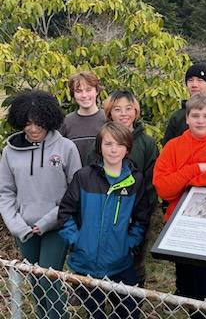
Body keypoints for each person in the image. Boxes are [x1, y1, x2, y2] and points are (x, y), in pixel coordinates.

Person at [0, 90, 82, 319]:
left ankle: (58, 316)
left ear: (49, 119)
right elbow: (5, 193)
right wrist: (17, 226)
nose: (33, 129)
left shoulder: (66, 147)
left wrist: (47, 222)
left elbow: (74, 192)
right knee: (35, 280)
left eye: (38, 123)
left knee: (48, 277)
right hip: (24, 229)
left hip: (56, 226)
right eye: (27, 123)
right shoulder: (9, 153)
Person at [153, 93, 206, 309]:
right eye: (195, 115)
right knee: (189, 284)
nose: (201, 120)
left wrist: (184, 183)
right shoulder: (173, 146)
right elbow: (163, 187)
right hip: (181, 224)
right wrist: (196, 169)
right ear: (187, 118)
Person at [58, 121, 150, 319]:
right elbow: (65, 212)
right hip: (85, 262)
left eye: (119, 144)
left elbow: (142, 219)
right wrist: (77, 240)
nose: (113, 149)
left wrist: (128, 243)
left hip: (120, 262)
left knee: (129, 309)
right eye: (108, 144)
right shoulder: (83, 177)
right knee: (95, 313)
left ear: (127, 148)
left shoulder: (135, 180)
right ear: (99, 147)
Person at [98, 90, 159, 286]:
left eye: (128, 109)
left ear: (136, 111)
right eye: (117, 109)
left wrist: (139, 215)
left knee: (134, 262)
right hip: (106, 215)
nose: (124, 114)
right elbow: (94, 176)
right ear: (109, 113)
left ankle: (132, 304)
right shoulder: (102, 140)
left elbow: (151, 184)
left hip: (136, 217)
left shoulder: (147, 143)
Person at [161, 62, 206, 146]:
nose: (194, 85)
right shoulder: (177, 117)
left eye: (200, 80)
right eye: (190, 80)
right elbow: (167, 148)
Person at [60, 71, 106, 165]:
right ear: (73, 94)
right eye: (79, 91)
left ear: (97, 91)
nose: (84, 95)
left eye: (88, 90)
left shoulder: (108, 119)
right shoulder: (66, 122)